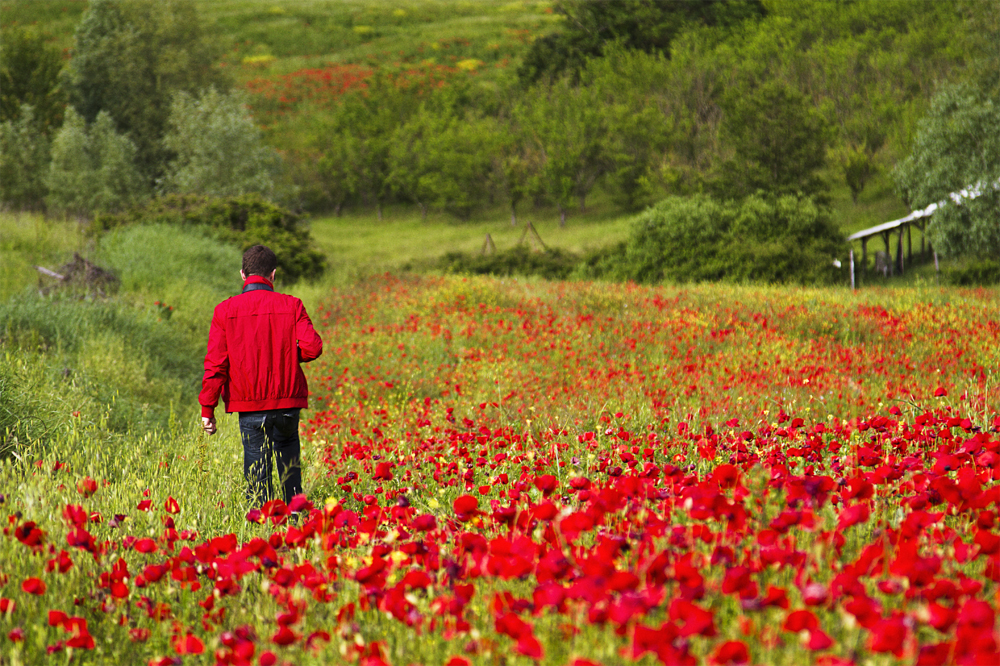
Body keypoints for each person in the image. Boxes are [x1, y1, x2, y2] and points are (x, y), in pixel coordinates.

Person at [199, 245, 323, 508]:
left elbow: (216, 365)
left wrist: (207, 409)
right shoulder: (293, 305)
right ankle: (297, 523)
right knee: (290, 467)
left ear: (243, 275)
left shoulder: (224, 311)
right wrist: (287, 356)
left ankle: (262, 529)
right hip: (288, 403)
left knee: (257, 473)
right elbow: (312, 347)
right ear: (273, 274)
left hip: (249, 405)